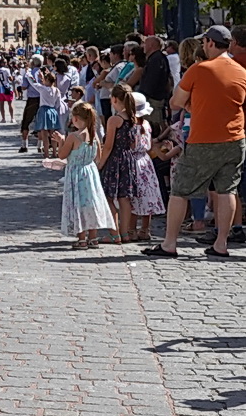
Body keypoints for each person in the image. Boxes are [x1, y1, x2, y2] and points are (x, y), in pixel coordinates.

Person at [145, 25, 246, 259]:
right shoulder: (241, 71)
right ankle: (221, 244)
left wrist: (194, 105)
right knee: (227, 191)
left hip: (204, 139)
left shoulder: (199, 69)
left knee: (180, 191)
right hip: (235, 139)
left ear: (210, 43)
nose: (202, 46)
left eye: (204, 42)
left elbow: (175, 103)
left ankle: (169, 244)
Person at [98, 86, 165, 243]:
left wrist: (100, 164)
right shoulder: (135, 120)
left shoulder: (115, 120)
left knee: (108, 197)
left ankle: (114, 232)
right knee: (125, 198)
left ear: (115, 99)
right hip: (130, 160)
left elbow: (108, 146)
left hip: (116, 160)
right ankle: (126, 232)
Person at [53, 101, 114, 249]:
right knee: (90, 204)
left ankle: (81, 238)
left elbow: (62, 155)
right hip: (90, 173)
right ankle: (93, 238)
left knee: (78, 204)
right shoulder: (94, 136)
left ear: (75, 119)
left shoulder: (73, 136)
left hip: (76, 173)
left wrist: (61, 141)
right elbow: (98, 157)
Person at [138, 35, 173, 125]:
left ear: (151, 45)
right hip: (153, 98)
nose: (143, 46)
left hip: (153, 100)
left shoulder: (156, 59)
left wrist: (145, 95)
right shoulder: (157, 58)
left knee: (154, 125)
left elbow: (152, 80)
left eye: (145, 44)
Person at [18, 54, 44, 152]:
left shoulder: (29, 74)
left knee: (26, 122)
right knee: (41, 122)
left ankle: (24, 145)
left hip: (32, 99)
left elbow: (24, 87)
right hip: (42, 99)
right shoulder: (44, 73)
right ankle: (40, 146)